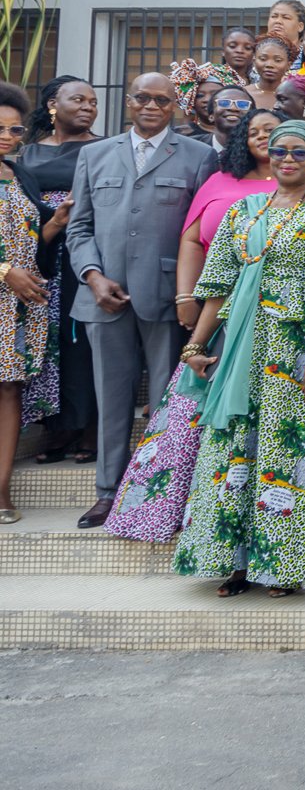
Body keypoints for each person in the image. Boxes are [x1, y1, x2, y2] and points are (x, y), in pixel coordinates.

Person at [170, 121, 305, 596]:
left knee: (283, 449)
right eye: (279, 151)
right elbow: (216, 286)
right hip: (239, 347)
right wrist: (196, 346)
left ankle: (281, 566)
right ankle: (231, 562)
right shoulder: (242, 211)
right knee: (233, 447)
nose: (287, 159)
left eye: (299, 152)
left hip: (293, 346)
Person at [66, 73, 216, 528]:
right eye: (142, 98)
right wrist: (93, 277)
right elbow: (79, 229)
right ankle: (108, 492)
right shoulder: (94, 154)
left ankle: (160, 495)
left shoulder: (199, 156)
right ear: (128, 102)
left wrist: (187, 294)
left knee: (169, 403)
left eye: (162, 100)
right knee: (111, 399)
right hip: (102, 297)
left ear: (176, 105)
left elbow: (199, 233)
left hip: (168, 298)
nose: (151, 106)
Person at [17, 77, 102, 466]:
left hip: (86, 248)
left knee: (82, 340)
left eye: (93, 101)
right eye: (78, 99)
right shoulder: (27, 153)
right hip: (42, 252)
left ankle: (87, 427)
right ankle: (57, 427)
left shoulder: (104, 148)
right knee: (48, 342)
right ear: (54, 104)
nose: (87, 107)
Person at [0, 83, 52, 524]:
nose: (6, 135)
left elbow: (36, 243)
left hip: (21, 303)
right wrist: (5, 272)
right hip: (6, 286)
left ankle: (1, 492)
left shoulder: (20, 174)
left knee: (10, 388)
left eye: (14, 128)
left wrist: (62, 222)